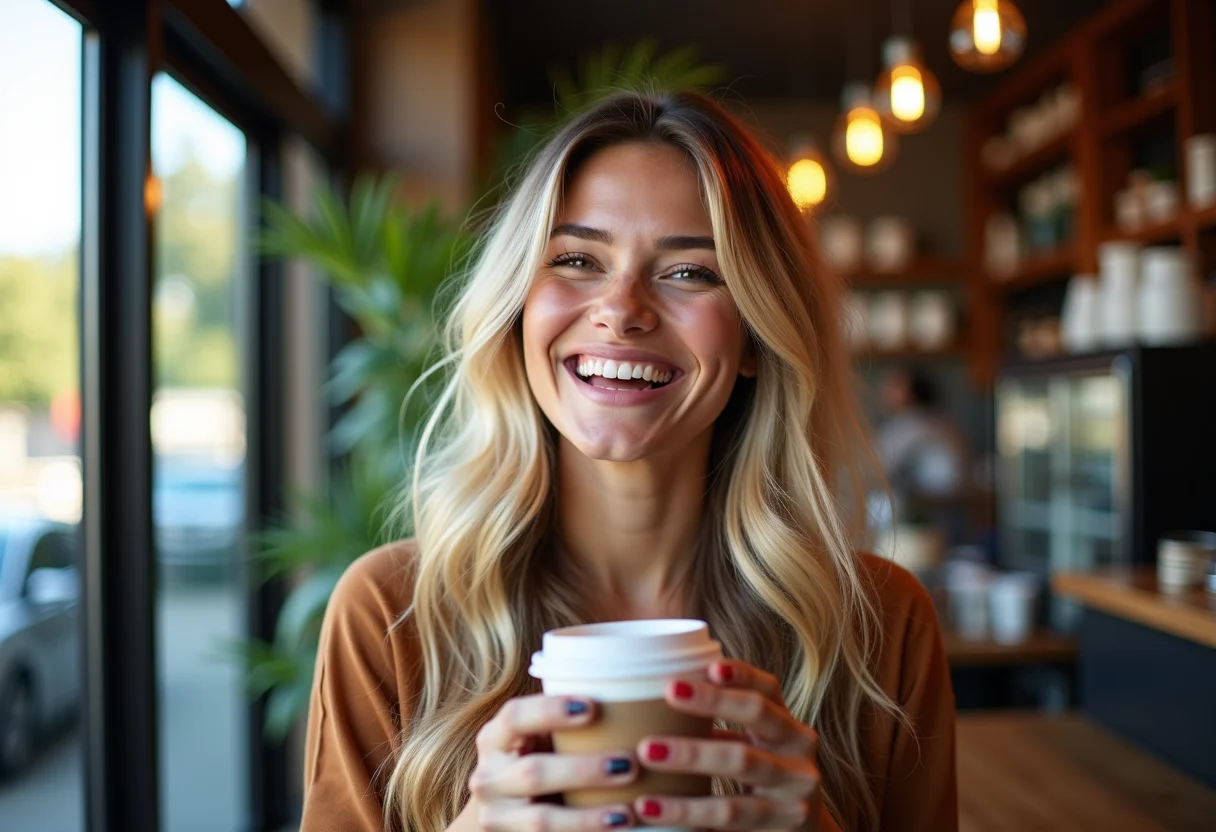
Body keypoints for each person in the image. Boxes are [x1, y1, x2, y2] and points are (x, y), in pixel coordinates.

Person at [301, 90, 956, 832]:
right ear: (517, 310)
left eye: (689, 273)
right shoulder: (391, 615)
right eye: (577, 259)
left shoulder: (882, 624)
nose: (622, 308)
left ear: (753, 337)